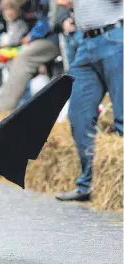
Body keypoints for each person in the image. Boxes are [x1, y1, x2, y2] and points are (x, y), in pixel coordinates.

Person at [55, 0, 123, 202]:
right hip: (85, 42)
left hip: (116, 36)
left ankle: (117, 189)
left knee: (122, 117)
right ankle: (88, 184)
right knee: (78, 115)